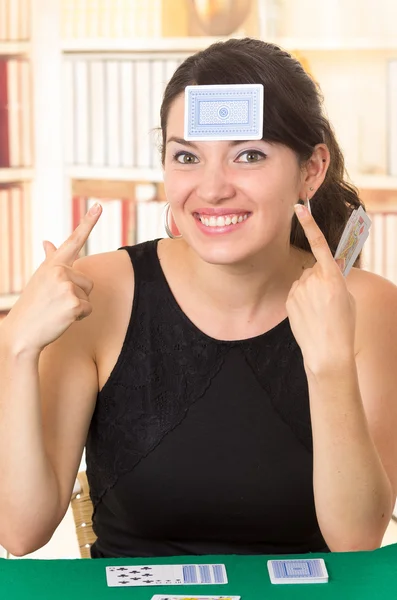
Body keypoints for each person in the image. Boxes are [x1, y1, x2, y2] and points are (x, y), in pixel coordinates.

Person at [1, 37, 397, 559]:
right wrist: (15, 346)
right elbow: (19, 531)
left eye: (248, 156)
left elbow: (357, 539)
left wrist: (327, 364)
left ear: (311, 170)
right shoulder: (95, 293)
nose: (211, 190)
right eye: (186, 156)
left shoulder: (368, 305)